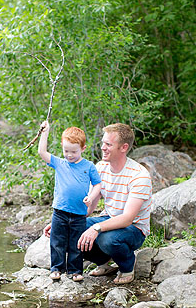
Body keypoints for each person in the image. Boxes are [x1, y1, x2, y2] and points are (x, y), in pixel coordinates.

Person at [45, 123, 152, 285]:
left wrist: (96, 228)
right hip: (108, 218)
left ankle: (127, 267)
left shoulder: (139, 176)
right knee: (70, 229)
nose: (103, 148)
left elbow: (127, 219)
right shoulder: (101, 168)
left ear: (123, 147)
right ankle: (104, 263)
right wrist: (61, 220)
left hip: (134, 228)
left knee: (107, 240)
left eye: (108, 144)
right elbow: (87, 208)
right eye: (103, 143)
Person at [38, 120, 102, 282]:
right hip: (59, 212)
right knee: (57, 241)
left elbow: (98, 185)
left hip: (79, 214)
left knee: (76, 244)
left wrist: (92, 196)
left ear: (83, 149)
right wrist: (45, 132)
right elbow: (42, 152)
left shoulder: (88, 166)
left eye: (74, 152)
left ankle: (75, 271)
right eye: (66, 151)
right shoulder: (60, 163)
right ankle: (56, 268)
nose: (69, 155)